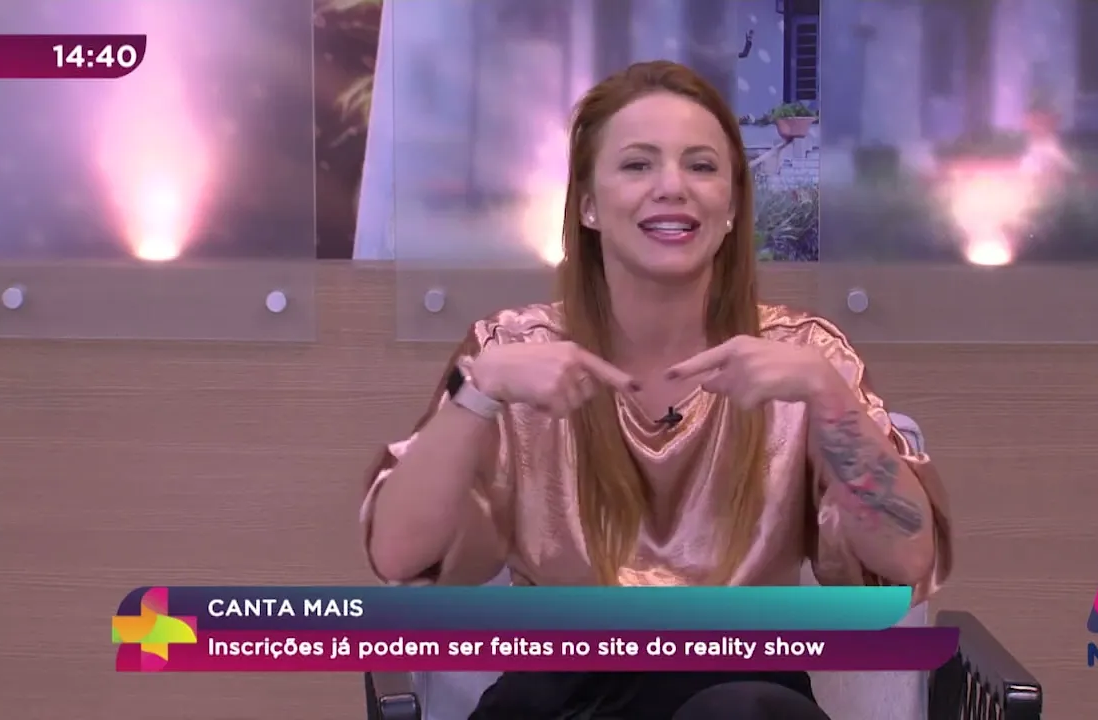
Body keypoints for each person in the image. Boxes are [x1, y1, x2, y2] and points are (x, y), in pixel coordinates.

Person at [361, 60, 952, 720]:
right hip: (562, 688)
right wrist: (480, 391)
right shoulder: (511, 349)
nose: (672, 187)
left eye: (701, 166)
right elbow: (400, 554)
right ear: (588, 205)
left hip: (742, 689)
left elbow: (905, 562)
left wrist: (825, 394)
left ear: (732, 207)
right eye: (638, 165)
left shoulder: (806, 355)